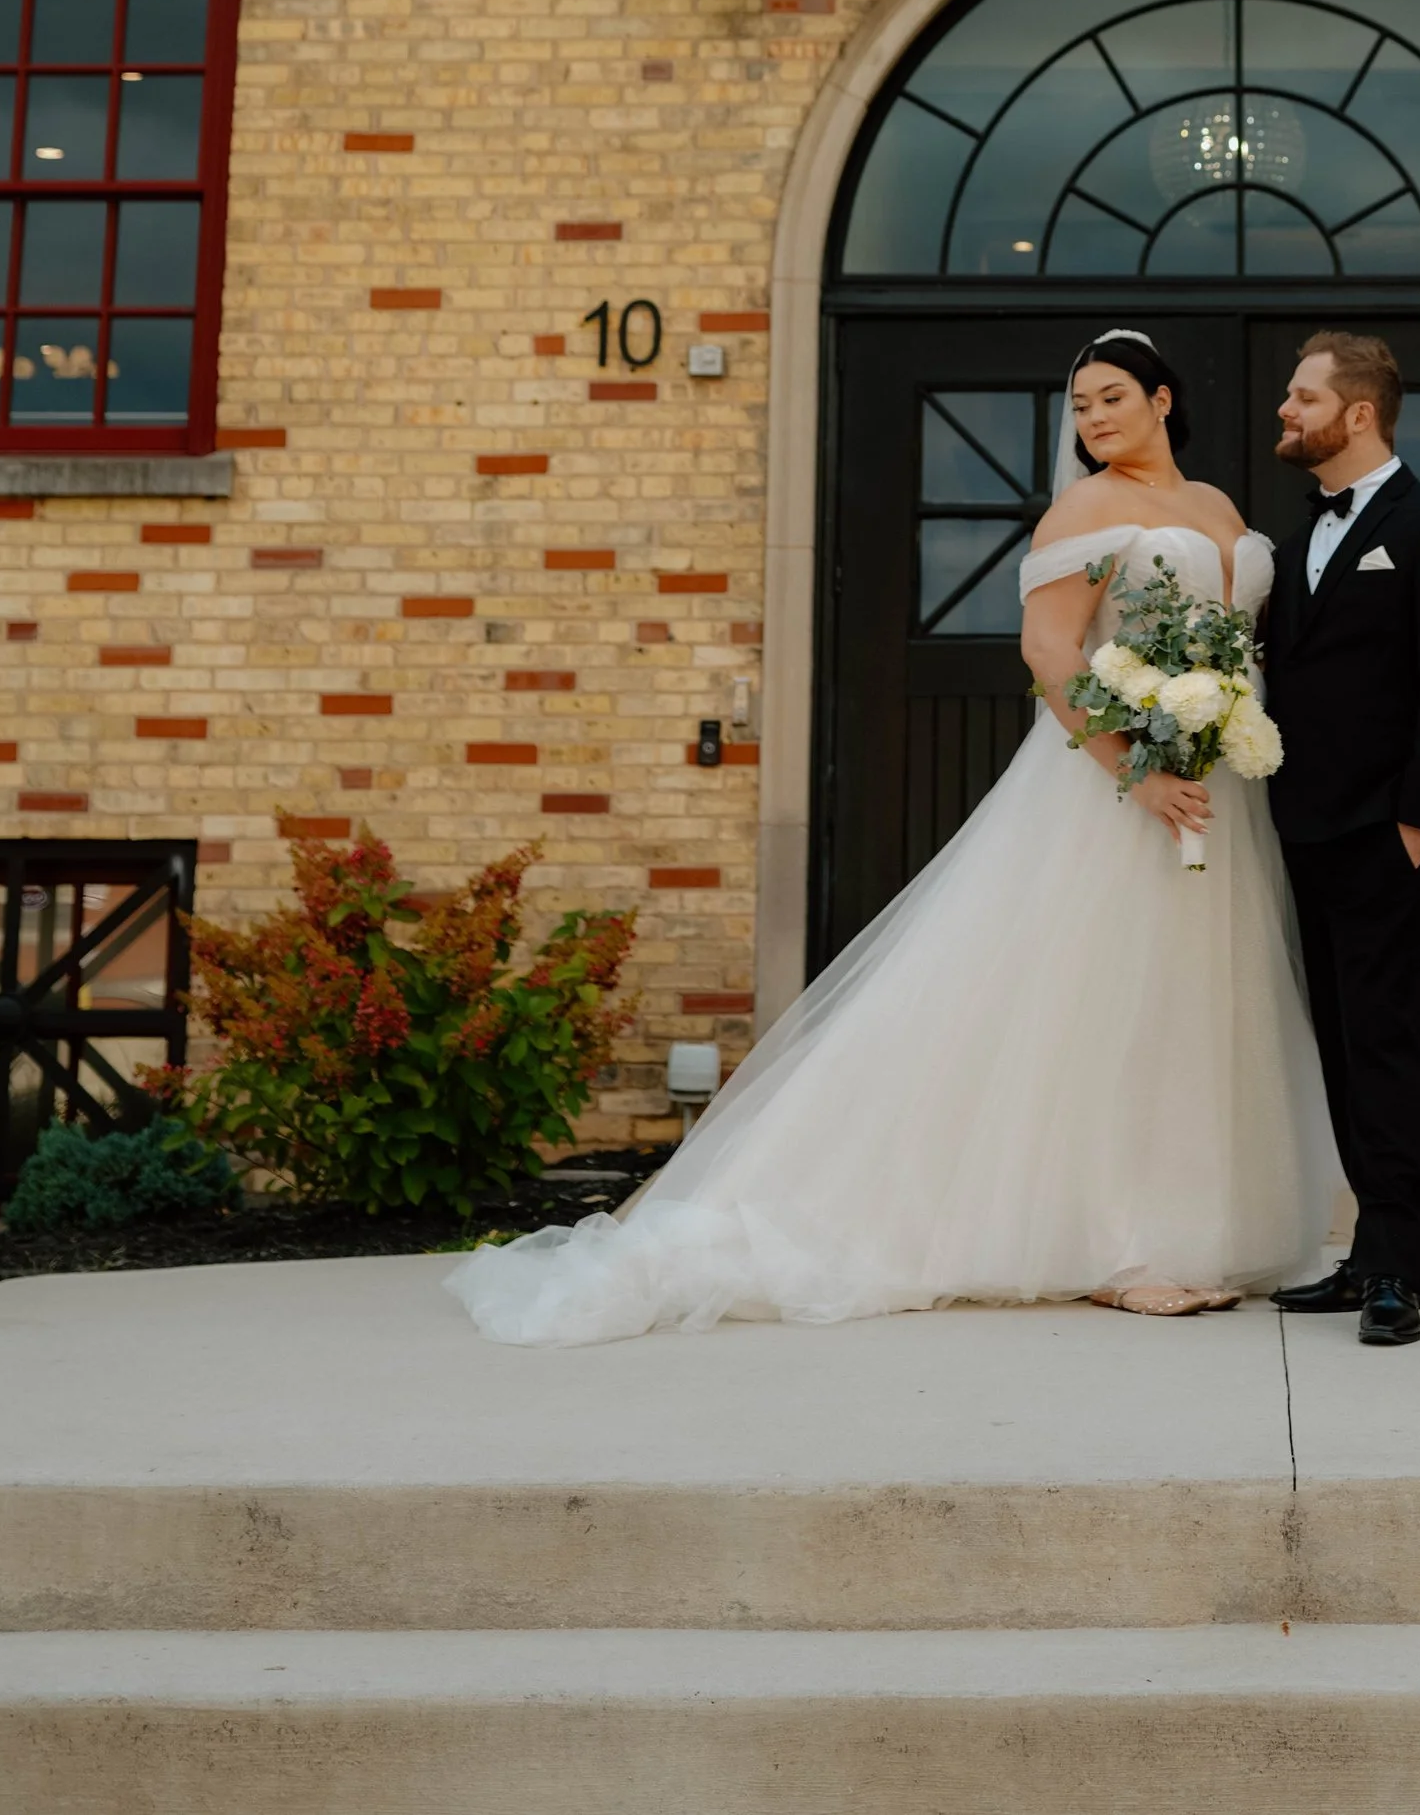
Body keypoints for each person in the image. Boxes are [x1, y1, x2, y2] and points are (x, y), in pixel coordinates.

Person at [449, 326, 1335, 1339]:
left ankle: (1195, 1220)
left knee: (1193, 1000)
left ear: (1162, 400)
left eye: (1111, 398)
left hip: (1217, 779)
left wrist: (1216, 729)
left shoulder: (1215, 506)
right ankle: (1119, 1240)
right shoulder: (1082, 508)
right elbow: (1048, 652)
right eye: (1080, 405)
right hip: (1114, 791)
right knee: (1102, 1005)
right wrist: (1135, 771)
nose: (1092, 420)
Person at [1260, 331, 1420, 1349]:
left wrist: (1416, 821)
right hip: (1302, 829)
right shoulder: (1297, 532)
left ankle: (1397, 1265)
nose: (1285, 410)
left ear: (1357, 412)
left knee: (1387, 1050)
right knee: (1343, 1054)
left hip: (1381, 832)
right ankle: (1371, 1253)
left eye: (1301, 396)